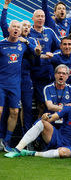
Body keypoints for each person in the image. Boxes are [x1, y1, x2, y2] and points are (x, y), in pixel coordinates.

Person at [5, 89, 71, 159]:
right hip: (58, 138)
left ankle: (32, 153)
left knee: (63, 153)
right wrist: (45, 117)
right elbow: (53, 117)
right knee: (43, 122)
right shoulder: (69, 108)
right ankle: (17, 149)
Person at [0, 20, 41, 149]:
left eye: (19, 27)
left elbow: (35, 55)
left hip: (15, 85)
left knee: (15, 113)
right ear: (9, 29)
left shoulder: (23, 45)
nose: (16, 29)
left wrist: (29, 43)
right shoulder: (1, 44)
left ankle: (6, 141)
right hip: (1, 84)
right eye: (14, 27)